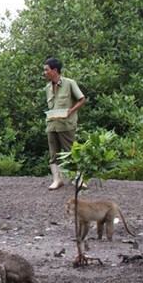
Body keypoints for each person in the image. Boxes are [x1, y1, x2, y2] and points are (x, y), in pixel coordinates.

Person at [43, 57, 86, 190]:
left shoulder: (69, 83)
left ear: (55, 70)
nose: (44, 72)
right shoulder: (47, 88)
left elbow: (82, 99)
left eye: (46, 70)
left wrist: (70, 111)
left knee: (72, 152)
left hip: (66, 125)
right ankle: (57, 180)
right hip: (51, 124)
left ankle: (78, 180)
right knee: (53, 154)